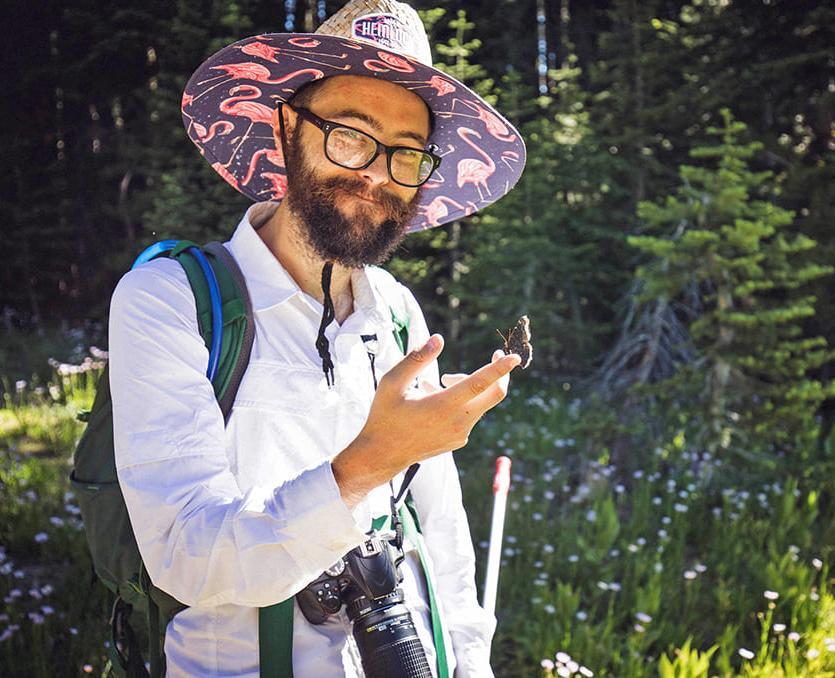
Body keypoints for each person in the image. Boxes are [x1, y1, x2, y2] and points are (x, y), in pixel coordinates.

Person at [108, 1, 526, 676]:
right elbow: (184, 553)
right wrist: (364, 465)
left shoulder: (395, 313)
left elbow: (440, 535)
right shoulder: (171, 302)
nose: (376, 174)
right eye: (350, 136)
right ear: (286, 127)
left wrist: (471, 663)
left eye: (407, 154)